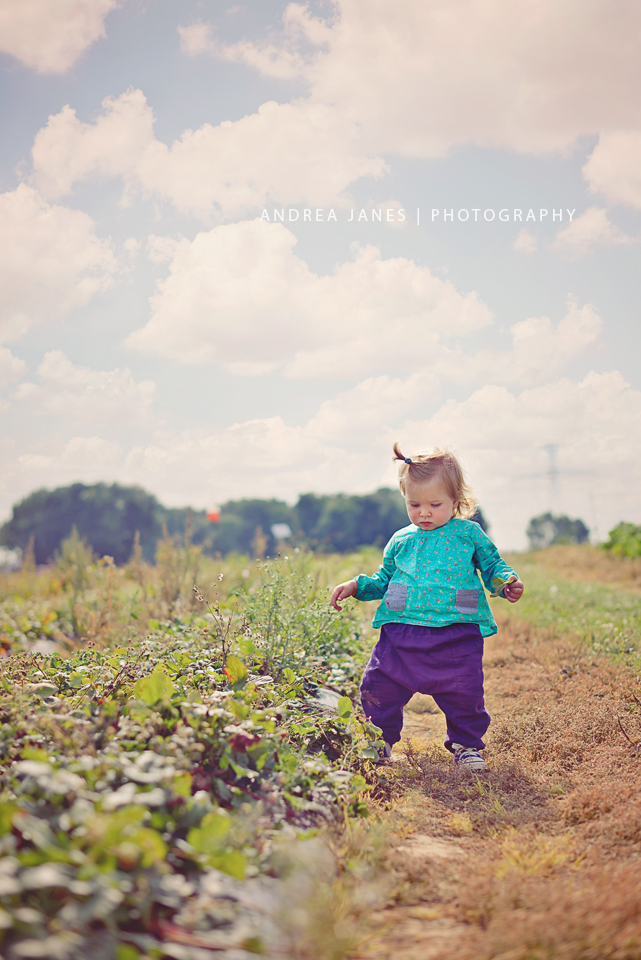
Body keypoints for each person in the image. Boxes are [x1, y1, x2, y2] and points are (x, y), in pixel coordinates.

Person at [330, 443, 524, 772]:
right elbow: (383, 579)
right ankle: (380, 741)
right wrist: (356, 586)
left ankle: (466, 746)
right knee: (379, 685)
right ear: (404, 498)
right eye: (414, 503)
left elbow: (492, 566)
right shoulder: (401, 540)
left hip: (456, 632)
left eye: (435, 504)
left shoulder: (468, 534)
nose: (424, 512)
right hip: (401, 629)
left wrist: (505, 583)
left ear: (456, 501)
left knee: (464, 691)